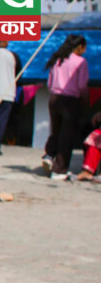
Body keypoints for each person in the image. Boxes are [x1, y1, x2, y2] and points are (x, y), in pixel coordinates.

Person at [42, 34, 88, 180]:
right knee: (67, 135)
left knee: (55, 130)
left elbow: (49, 84)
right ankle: (59, 170)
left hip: (54, 99)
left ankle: (49, 155)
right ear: (80, 47)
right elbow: (81, 85)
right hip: (70, 100)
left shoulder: (58, 60)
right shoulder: (81, 62)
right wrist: (85, 100)